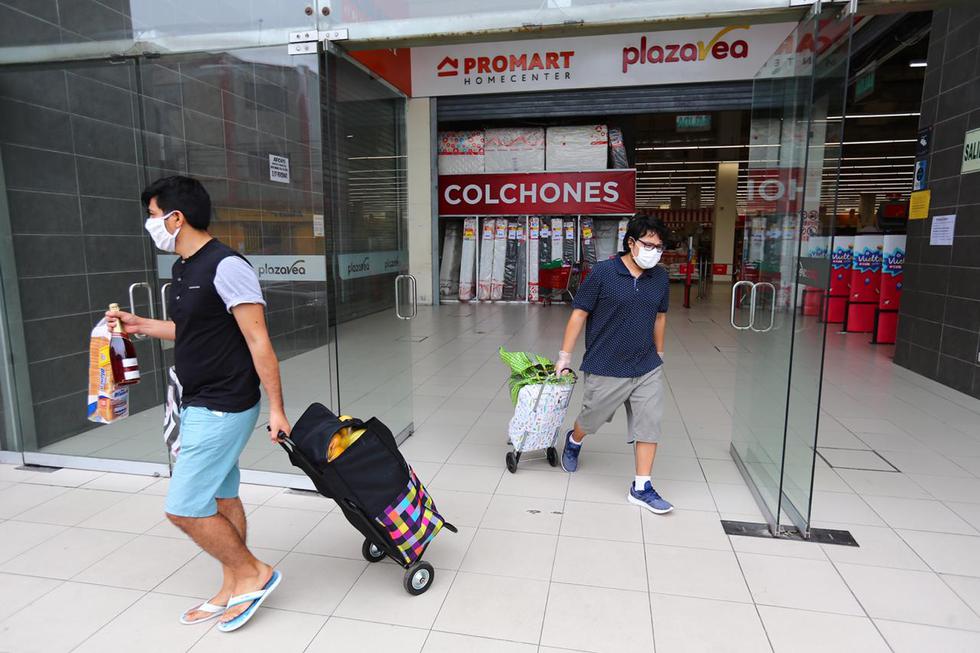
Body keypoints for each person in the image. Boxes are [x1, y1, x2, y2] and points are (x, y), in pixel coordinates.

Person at [107, 176, 289, 632]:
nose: (150, 224)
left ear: (176, 217)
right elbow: (191, 330)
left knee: (184, 507)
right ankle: (233, 583)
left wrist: (277, 408)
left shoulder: (227, 266)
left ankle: (254, 573)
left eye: (152, 216)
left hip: (223, 405)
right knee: (222, 494)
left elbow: (258, 340)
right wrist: (139, 324)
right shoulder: (184, 267)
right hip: (199, 400)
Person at [556, 214, 673, 514]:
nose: (655, 252)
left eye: (659, 247)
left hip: (645, 365)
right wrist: (564, 357)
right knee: (591, 419)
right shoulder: (603, 273)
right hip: (606, 363)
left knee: (649, 424)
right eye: (649, 245)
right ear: (631, 243)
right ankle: (575, 439)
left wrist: (659, 354)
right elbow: (579, 313)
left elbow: (660, 317)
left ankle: (642, 487)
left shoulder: (659, 277)